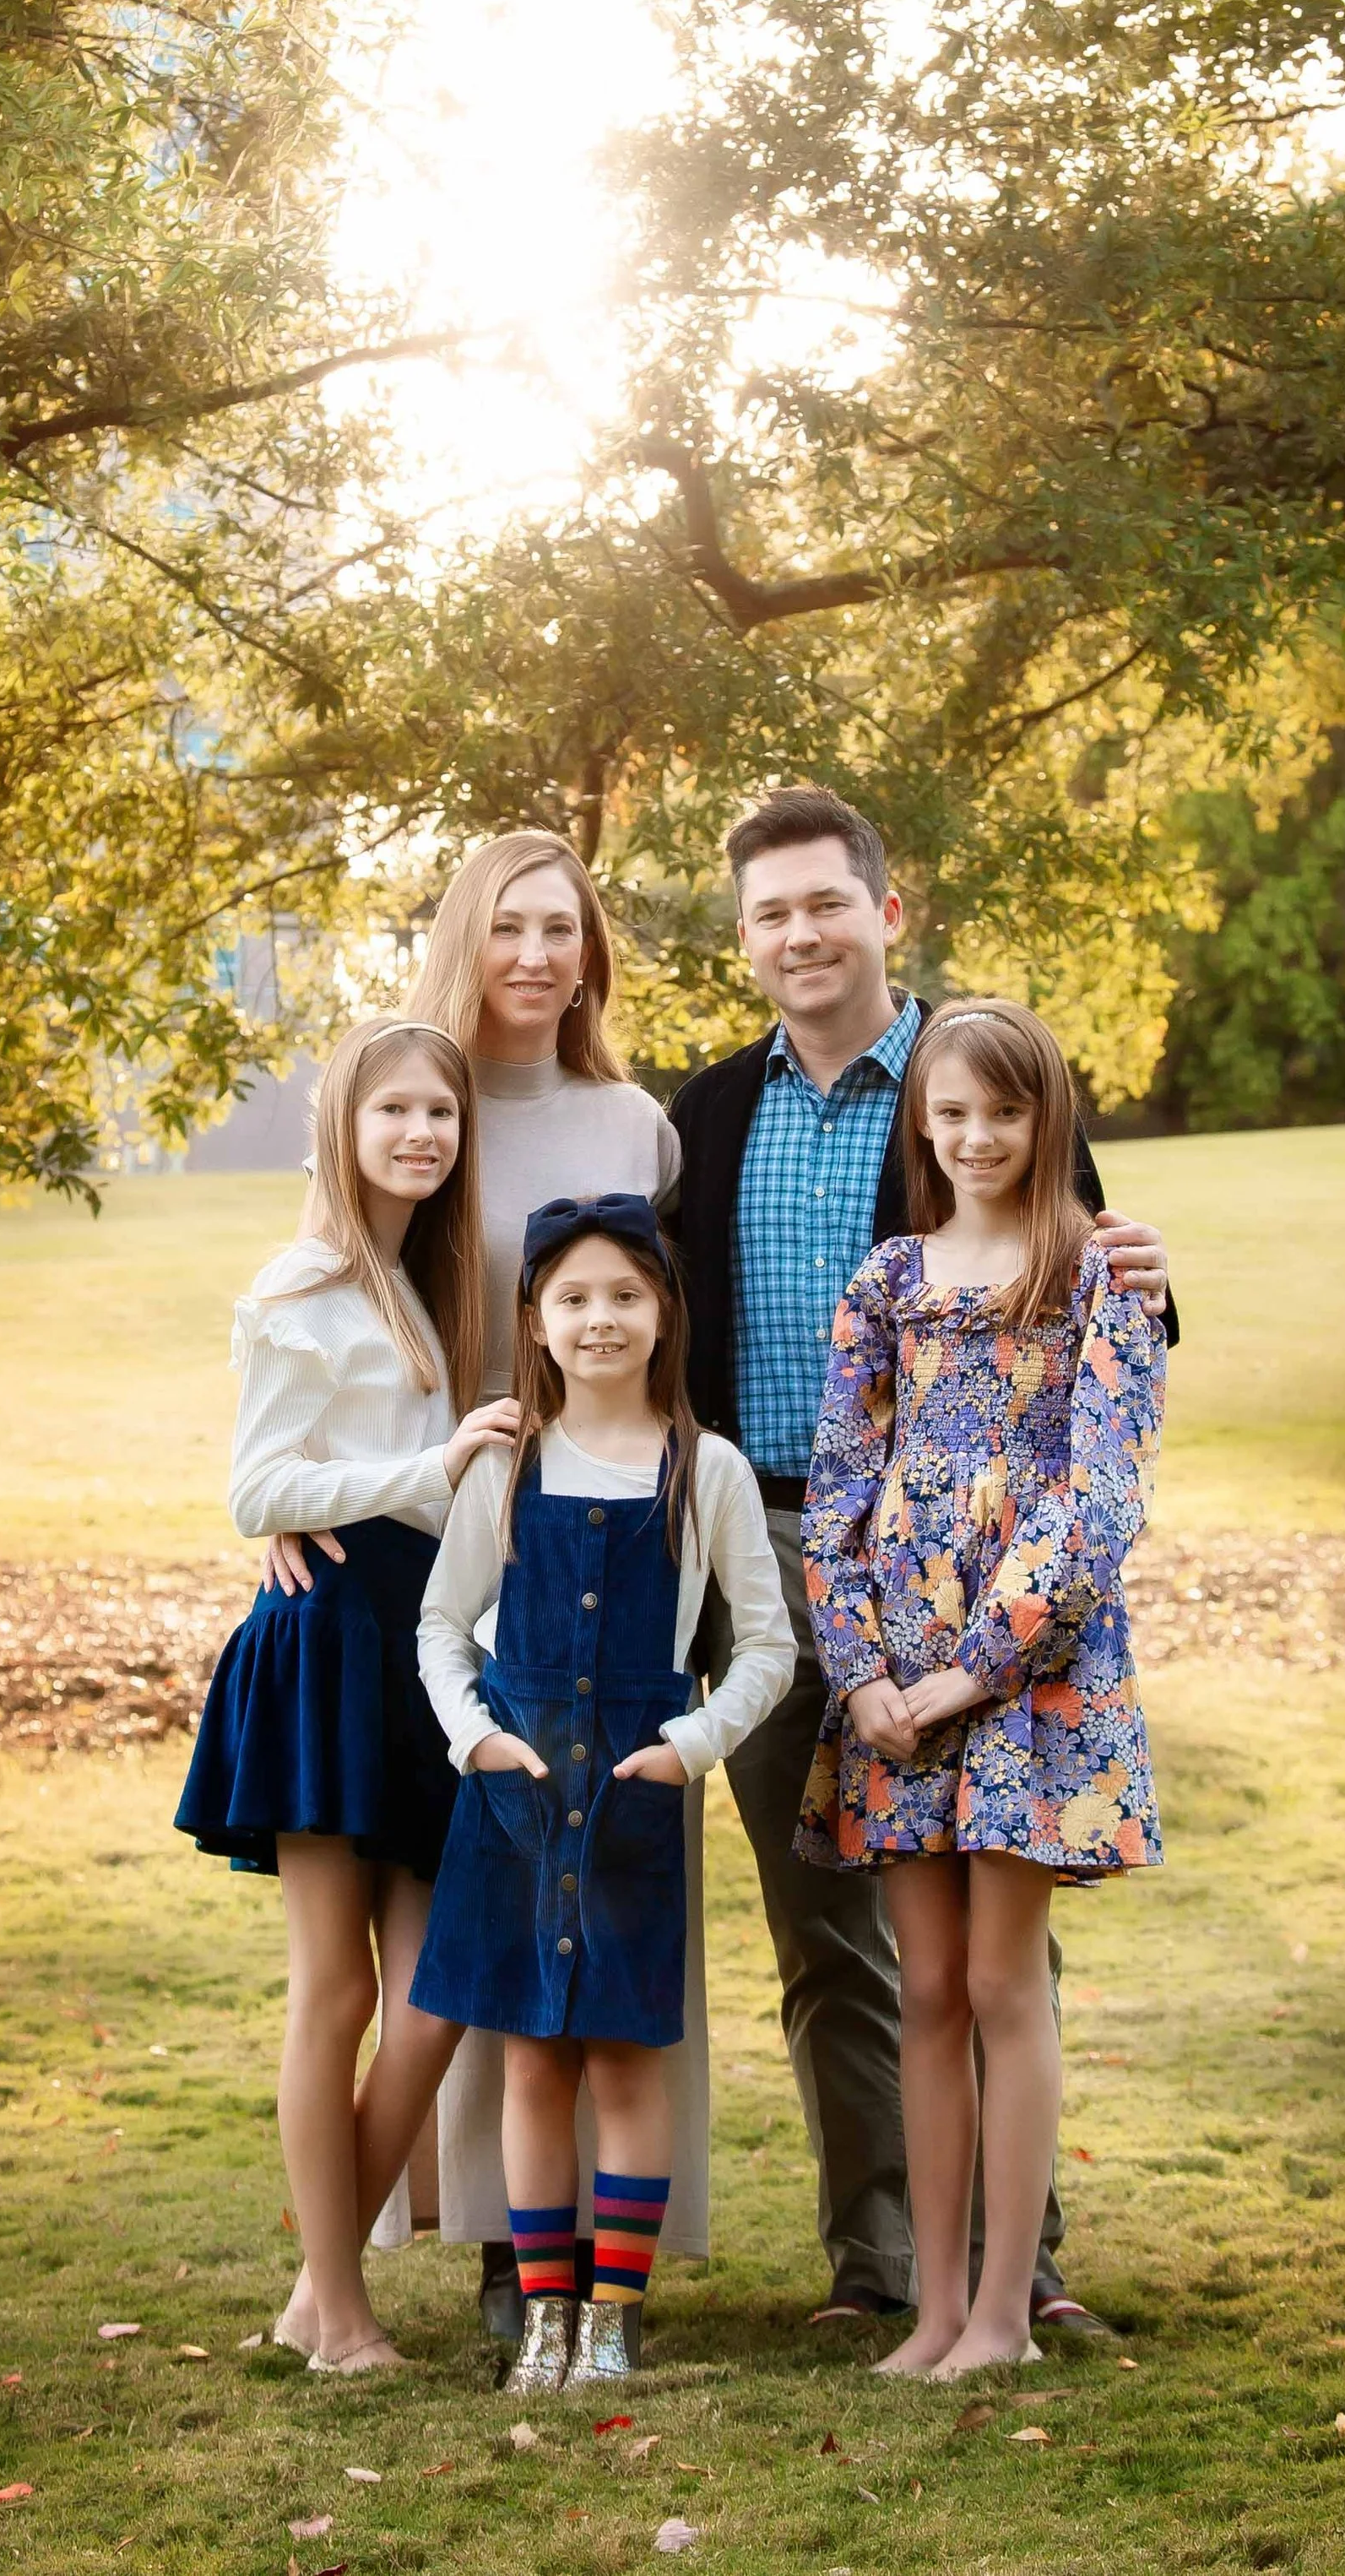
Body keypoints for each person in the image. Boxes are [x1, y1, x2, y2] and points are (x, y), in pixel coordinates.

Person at [668, 784, 1174, 2332]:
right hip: (769, 1550)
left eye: (828, 901)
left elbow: (1101, 1307)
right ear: (745, 939)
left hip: (989, 1575)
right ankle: (880, 2267)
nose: (801, 932)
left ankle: (1022, 2268)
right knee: (832, 1934)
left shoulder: (974, 1076)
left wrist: (1151, 1279)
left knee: (993, 1938)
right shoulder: (705, 1114)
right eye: (771, 912)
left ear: (886, 912)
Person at [263, 832, 686, 2335]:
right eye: (505, 925)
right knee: (444, 1941)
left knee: (580, 1894)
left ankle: (566, 2259)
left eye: (561, 928)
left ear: (592, 950)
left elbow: (654, 1313)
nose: (533, 954)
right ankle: (417, 2269)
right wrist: (321, 1485)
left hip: (596, 1540)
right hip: (431, 1564)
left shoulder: (635, 1122)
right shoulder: (420, 1099)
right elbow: (330, 1309)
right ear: (469, 935)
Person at [802, 999, 1165, 2378]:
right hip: (895, 1682)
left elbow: (1096, 1509)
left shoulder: (1096, 1279)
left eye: (1001, 1114)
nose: (974, 1138)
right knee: (929, 1988)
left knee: (1008, 1984)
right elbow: (837, 1487)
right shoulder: (890, 1280)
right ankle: (938, 2310)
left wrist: (966, 1673)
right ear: (925, 1122)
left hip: (1026, 1682)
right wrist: (869, 1676)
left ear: (1046, 1117)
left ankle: (1008, 2309)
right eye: (949, 1114)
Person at [173, 1016, 518, 2373]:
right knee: (337, 1993)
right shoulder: (301, 1282)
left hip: (424, 1649)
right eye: (395, 1114)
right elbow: (256, 1490)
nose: (422, 1133)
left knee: (435, 1992)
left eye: (442, 1112)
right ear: (344, 1128)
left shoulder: (437, 1279)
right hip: (323, 1641)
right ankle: (343, 2315)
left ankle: (320, 2292)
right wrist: (418, 1477)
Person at [410, 1196, 793, 2390]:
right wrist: (472, 1739)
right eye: (572, 1297)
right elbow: (439, 1628)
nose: (600, 1318)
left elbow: (769, 1648)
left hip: (635, 1798)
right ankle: (541, 2318)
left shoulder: (708, 1469)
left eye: (626, 1294)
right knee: (531, 2064)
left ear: (665, 1310)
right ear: (535, 1317)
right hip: (514, 1801)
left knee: (627, 2064)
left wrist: (692, 1741)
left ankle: (615, 2319)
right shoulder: (506, 1464)